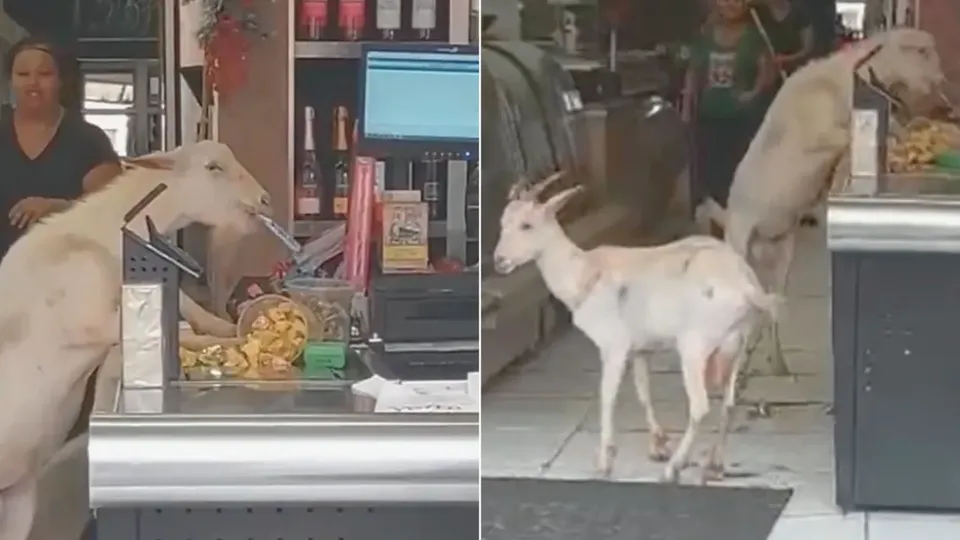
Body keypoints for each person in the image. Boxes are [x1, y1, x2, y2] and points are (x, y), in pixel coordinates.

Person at [0, 36, 122, 260]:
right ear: (11, 80)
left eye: (44, 74)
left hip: (66, 274)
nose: (33, 83)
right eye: (23, 74)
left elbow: (113, 208)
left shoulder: (88, 140)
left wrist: (60, 207)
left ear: (61, 80)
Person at [684, 0, 774, 228]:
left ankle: (738, 228)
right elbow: (694, 73)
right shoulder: (705, 36)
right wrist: (687, 107)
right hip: (709, 117)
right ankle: (714, 228)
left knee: (738, 177)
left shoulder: (754, 36)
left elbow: (767, 71)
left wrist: (752, 94)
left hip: (742, 120)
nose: (731, 4)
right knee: (710, 175)